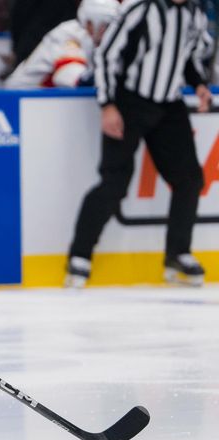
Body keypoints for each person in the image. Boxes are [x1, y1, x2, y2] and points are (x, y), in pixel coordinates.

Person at [65, 0, 214, 288]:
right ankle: (79, 255)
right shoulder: (140, 9)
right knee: (115, 182)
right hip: (129, 102)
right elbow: (107, 55)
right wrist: (108, 104)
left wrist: (198, 84)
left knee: (190, 179)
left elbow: (186, 57)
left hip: (169, 105)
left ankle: (177, 253)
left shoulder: (193, 13)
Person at [4, 0, 119, 89]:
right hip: (18, 101)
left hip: (45, 104)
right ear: (89, 23)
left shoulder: (99, 42)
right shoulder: (68, 34)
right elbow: (71, 77)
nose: (109, 32)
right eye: (106, 25)